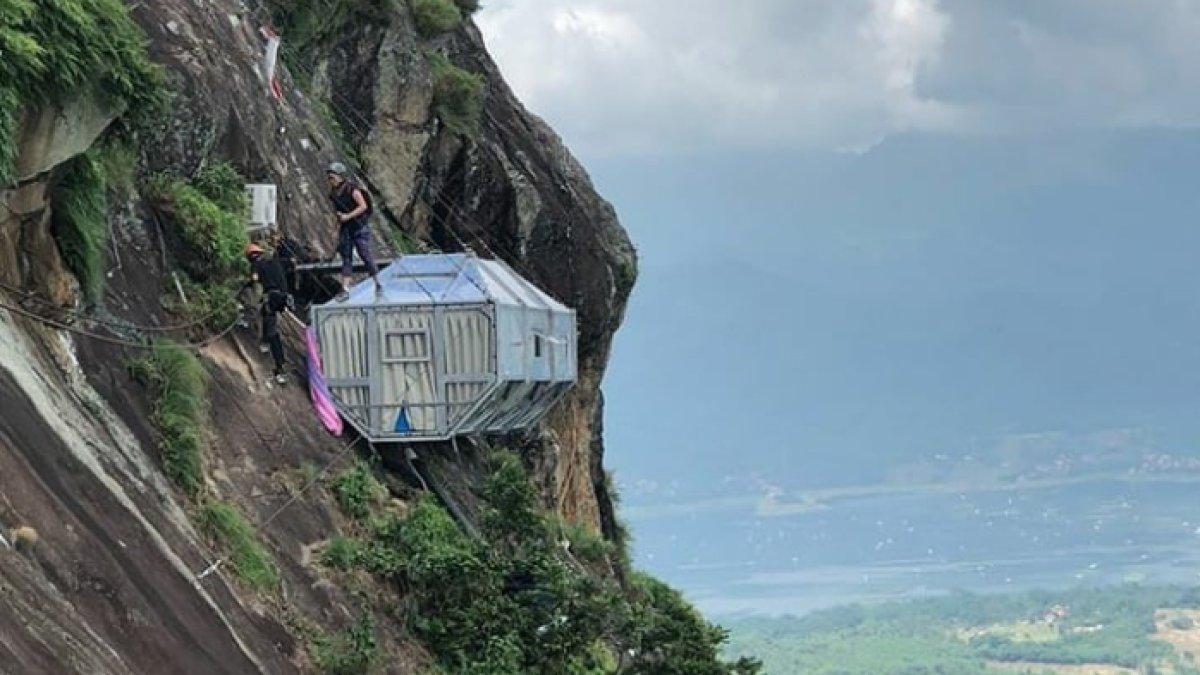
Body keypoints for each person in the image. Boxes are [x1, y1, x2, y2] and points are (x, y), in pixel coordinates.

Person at [326, 162, 381, 301]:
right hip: (346, 228)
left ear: (340, 177)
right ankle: (345, 289)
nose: (330, 180)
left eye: (332, 177)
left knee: (364, 254)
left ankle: (377, 281)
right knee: (346, 258)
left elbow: (363, 206)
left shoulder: (352, 190)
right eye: (329, 178)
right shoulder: (333, 194)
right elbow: (336, 211)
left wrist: (348, 216)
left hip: (359, 227)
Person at [245, 243, 291, 384]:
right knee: (267, 318)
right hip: (284, 297)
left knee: (272, 330)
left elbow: (254, 279)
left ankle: (280, 366)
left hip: (272, 298)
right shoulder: (275, 262)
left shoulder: (256, 264)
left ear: (251, 257)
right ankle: (265, 343)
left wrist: (248, 283)